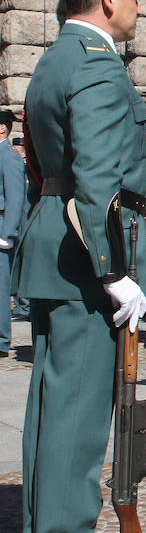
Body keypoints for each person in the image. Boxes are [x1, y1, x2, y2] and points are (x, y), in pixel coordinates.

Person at [14, 0, 146, 533]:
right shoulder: (98, 64)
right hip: (84, 256)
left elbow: (47, 164)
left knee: (53, 396)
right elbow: (96, 179)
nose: (136, 10)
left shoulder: (54, 59)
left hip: (54, 241)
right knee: (77, 402)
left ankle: (50, 530)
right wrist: (114, 272)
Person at [0, 109, 27, 359]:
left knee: (0, 288)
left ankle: (1, 340)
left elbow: (15, 195)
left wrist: (7, 232)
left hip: (0, 226)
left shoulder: (9, 156)